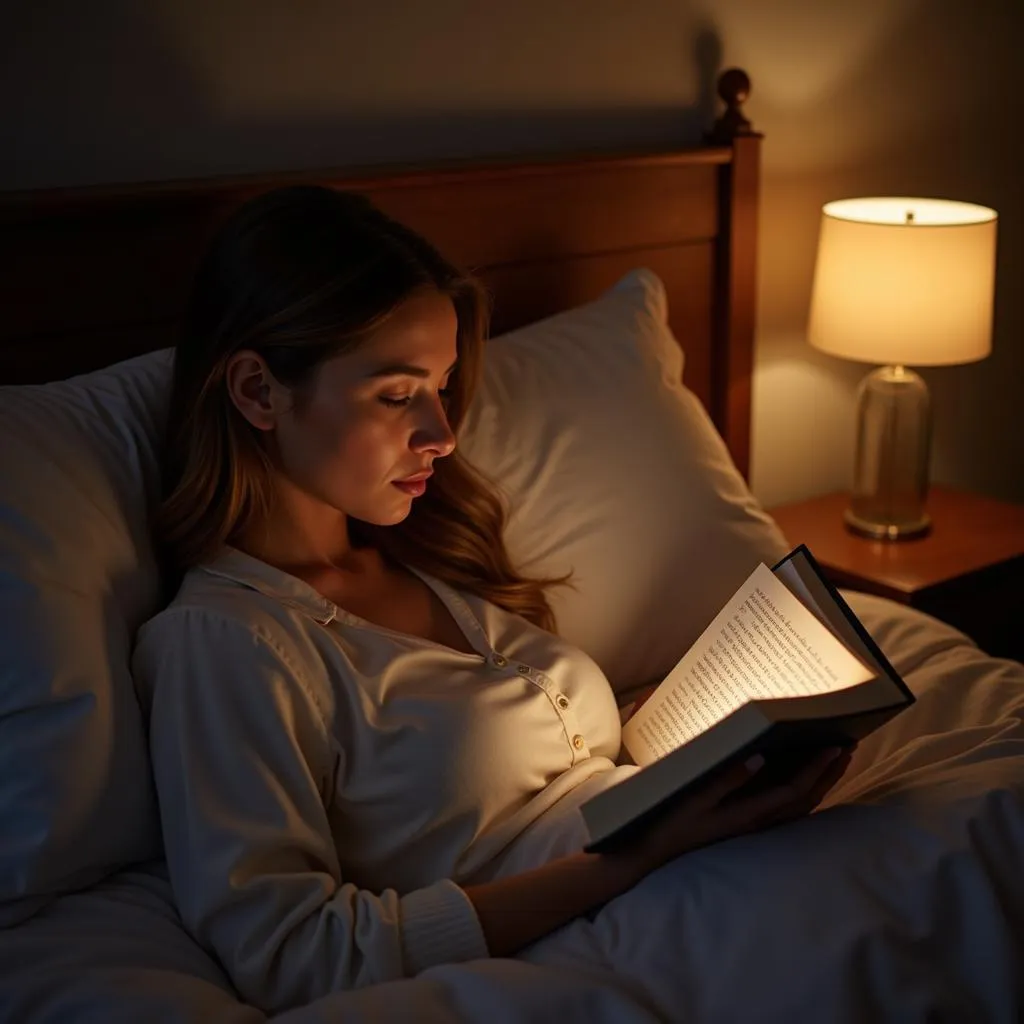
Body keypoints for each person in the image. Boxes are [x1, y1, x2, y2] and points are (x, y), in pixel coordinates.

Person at [132, 185, 853, 1015]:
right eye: (397, 395)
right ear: (258, 392)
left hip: (681, 869)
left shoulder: (420, 555)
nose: (442, 434)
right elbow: (295, 954)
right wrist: (639, 855)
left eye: (441, 387)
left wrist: (673, 728)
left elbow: (521, 769)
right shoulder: (226, 643)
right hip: (608, 929)